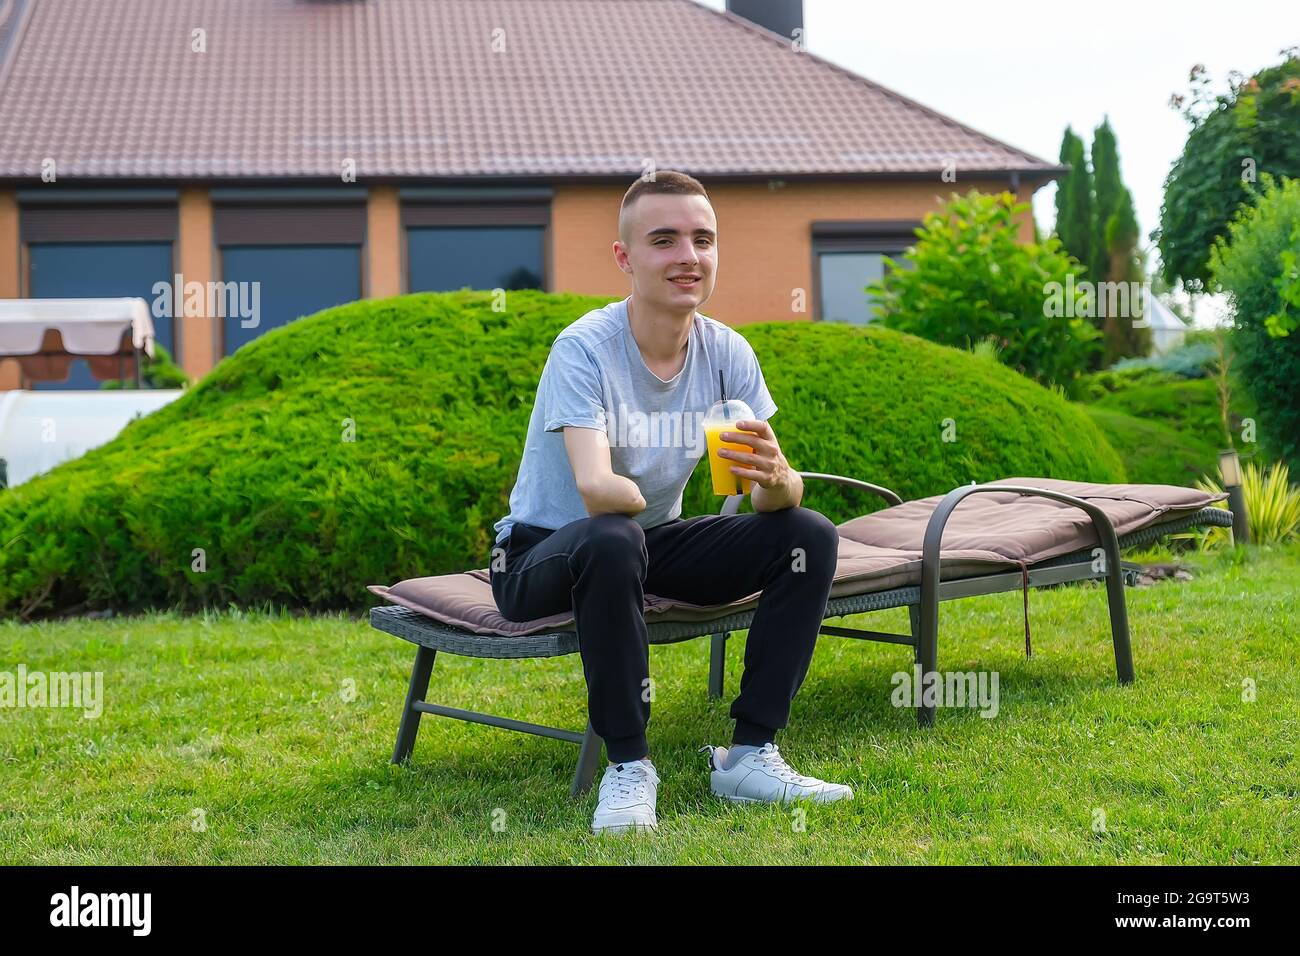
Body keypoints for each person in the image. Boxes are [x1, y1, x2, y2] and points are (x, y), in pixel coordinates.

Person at [490, 170, 852, 834]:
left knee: (808, 534)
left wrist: (775, 479)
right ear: (625, 258)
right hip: (541, 555)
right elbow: (598, 491)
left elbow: (779, 491)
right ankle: (629, 766)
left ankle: (750, 755)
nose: (688, 256)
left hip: (644, 543)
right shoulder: (584, 349)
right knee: (612, 536)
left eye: (702, 239)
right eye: (664, 240)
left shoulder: (727, 353)